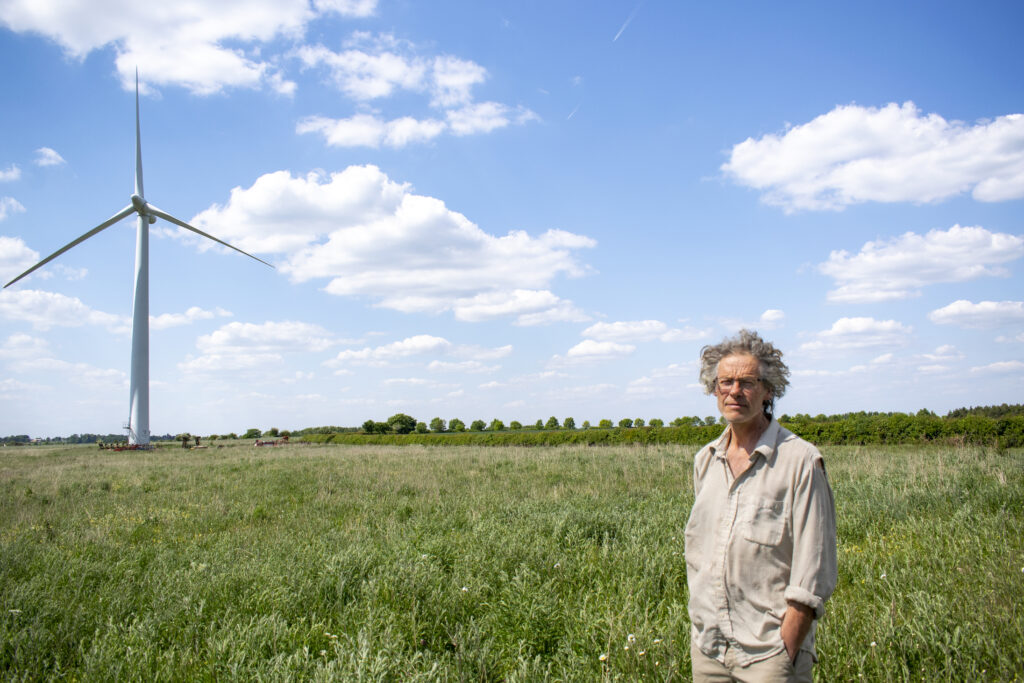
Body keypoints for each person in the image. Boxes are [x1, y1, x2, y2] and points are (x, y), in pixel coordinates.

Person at [685, 329, 837, 682]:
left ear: (769, 390)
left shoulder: (801, 461)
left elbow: (813, 570)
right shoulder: (706, 460)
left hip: (769, 655)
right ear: (713, 389)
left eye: (747, 382)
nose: (734, 391)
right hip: (709, 649)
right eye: (725, 382)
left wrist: (785, 650)